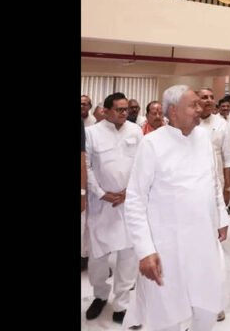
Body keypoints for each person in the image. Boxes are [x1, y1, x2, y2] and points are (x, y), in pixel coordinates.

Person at [123, 85, 229, 331]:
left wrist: (221, 217)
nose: (199, 109)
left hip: (204, 242)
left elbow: (212, 181)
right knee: (166, 315)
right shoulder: (151, 144)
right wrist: (145, 251)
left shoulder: (203, 137)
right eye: (193, 105)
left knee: (207, 308)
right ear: (173, 111)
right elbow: (135, 199)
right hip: (167, 247)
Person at [84, 92, 142, 323]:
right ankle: (100, 295)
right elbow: (86, 167)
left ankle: (122, 304)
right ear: (105, 111)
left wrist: (129, 192)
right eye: (119, 109)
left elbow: (142, 164)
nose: (124, 113)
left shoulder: (135, 131)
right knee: (98, 258)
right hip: (101, 204)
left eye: (126, 109)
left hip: (128, 203)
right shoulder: (92, 133)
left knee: (128, 257)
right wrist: (101, 193)